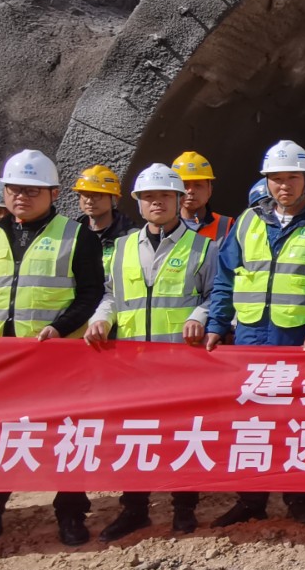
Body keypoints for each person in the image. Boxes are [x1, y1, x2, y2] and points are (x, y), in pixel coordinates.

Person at [0, 149, 107, 554]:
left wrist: (60, 327)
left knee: (65, 437)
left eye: (33, 190)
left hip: (57, 358)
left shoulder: (77, 235)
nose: (22, 196)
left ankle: (70, 513)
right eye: (15, 189)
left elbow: (91, 293)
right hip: (1, 359)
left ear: (53, 193)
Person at [204, 140, 305, 529]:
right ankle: (251, 498)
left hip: (298, 338)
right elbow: (225, 278)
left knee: (297, 420)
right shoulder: (246, 222)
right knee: (251, 422)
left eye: (291, 178)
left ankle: (299, 497)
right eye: (276, 179)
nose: (283, 186)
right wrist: (217, 323)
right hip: (250, 336)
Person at [84, 164, 215, 540]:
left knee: (182, 433)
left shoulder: (204, 246)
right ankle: (135, 508)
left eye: (164, 196)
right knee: (134, 435)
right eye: (148, 197)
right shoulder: (121, 246)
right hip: (132, 361)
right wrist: (101, 320)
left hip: (180, 359)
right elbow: (112, 295)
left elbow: (215, 296)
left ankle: (184, 507)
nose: (156, 202)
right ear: (138, 203)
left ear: (178, 200)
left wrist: (199, 317)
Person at [73, 165, 136, 256]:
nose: (89, 201)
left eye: (97, 195)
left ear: (114, 198)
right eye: (85, 195)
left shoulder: (130, 235)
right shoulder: (72, 232)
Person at [172, 150, 231, 243]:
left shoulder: (226, 225)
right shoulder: (165, 226)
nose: (191, 191)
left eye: (198, 185)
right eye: (185, 185)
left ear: (209, 190)